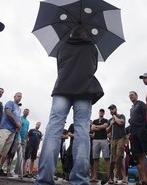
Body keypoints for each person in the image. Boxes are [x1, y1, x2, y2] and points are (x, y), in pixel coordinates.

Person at [35, 25, 104, 185]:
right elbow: (93, 67)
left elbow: (60, 68)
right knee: (82, 130)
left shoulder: (62, 46)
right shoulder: (91, 47)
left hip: (62, 87)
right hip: (84, 89)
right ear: (85, 34)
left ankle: (44, 179)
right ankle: (79, 180)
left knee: (53, 128)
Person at [128, 91, 147, 185]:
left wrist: (145, 126)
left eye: (132, 95)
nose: (130, 96)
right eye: (129, 96)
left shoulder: (141, 104)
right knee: (140, 155)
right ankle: (145, 179)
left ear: (136, 95)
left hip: (142, 130)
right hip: (134, 132)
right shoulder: (131, 108)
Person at [106, 104, 128, 184]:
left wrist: (115, 117)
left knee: (119, 156)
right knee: (116, 159)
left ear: (116, 109)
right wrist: (111, 124)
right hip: (113, 140)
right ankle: (122, 177)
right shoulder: (110, 120)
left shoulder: (121, 116)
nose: (111, 110)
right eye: (110, 109)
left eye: (112, 109)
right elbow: (107, 131)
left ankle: (115, 176)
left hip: (121, 138)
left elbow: (121, 123)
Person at [90, 109, 109, 183]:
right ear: (99, 112)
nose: (101, 113)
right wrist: (101, 127)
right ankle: (94, 177)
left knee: (106, 158)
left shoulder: (106, 120)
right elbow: (92, 128)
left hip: (104, 139)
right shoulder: (94, 120)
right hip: (95, 140)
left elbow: (105, 126)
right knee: (95, 159)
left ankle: (109, 176)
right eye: (100, 111)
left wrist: (97, 127)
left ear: (104, 113)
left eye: (102, 112)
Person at [14, 108, 30, 177]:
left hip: (23, 141)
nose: (26, 113)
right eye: (25, 111)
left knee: (22, 156)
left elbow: (26, 131)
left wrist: (26, 140)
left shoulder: (27, 122)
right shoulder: (20, 118)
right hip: (17, 138)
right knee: (11, 154)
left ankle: (19, 172)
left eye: (27, 112)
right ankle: (7, 170)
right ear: (23, 112)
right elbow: (17, 127)